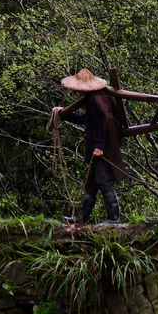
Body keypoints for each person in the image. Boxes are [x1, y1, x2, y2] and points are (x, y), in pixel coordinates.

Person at [51, 68, 127, 224]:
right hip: (101, 146)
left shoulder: (94, 99)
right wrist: (65, 114)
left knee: (104, 181)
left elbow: (103, 121)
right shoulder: (97, 97)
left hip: (101, 148)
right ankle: (80, 218)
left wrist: (99, 145)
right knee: (91, 184)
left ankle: (114, 218)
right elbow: (88, 119)